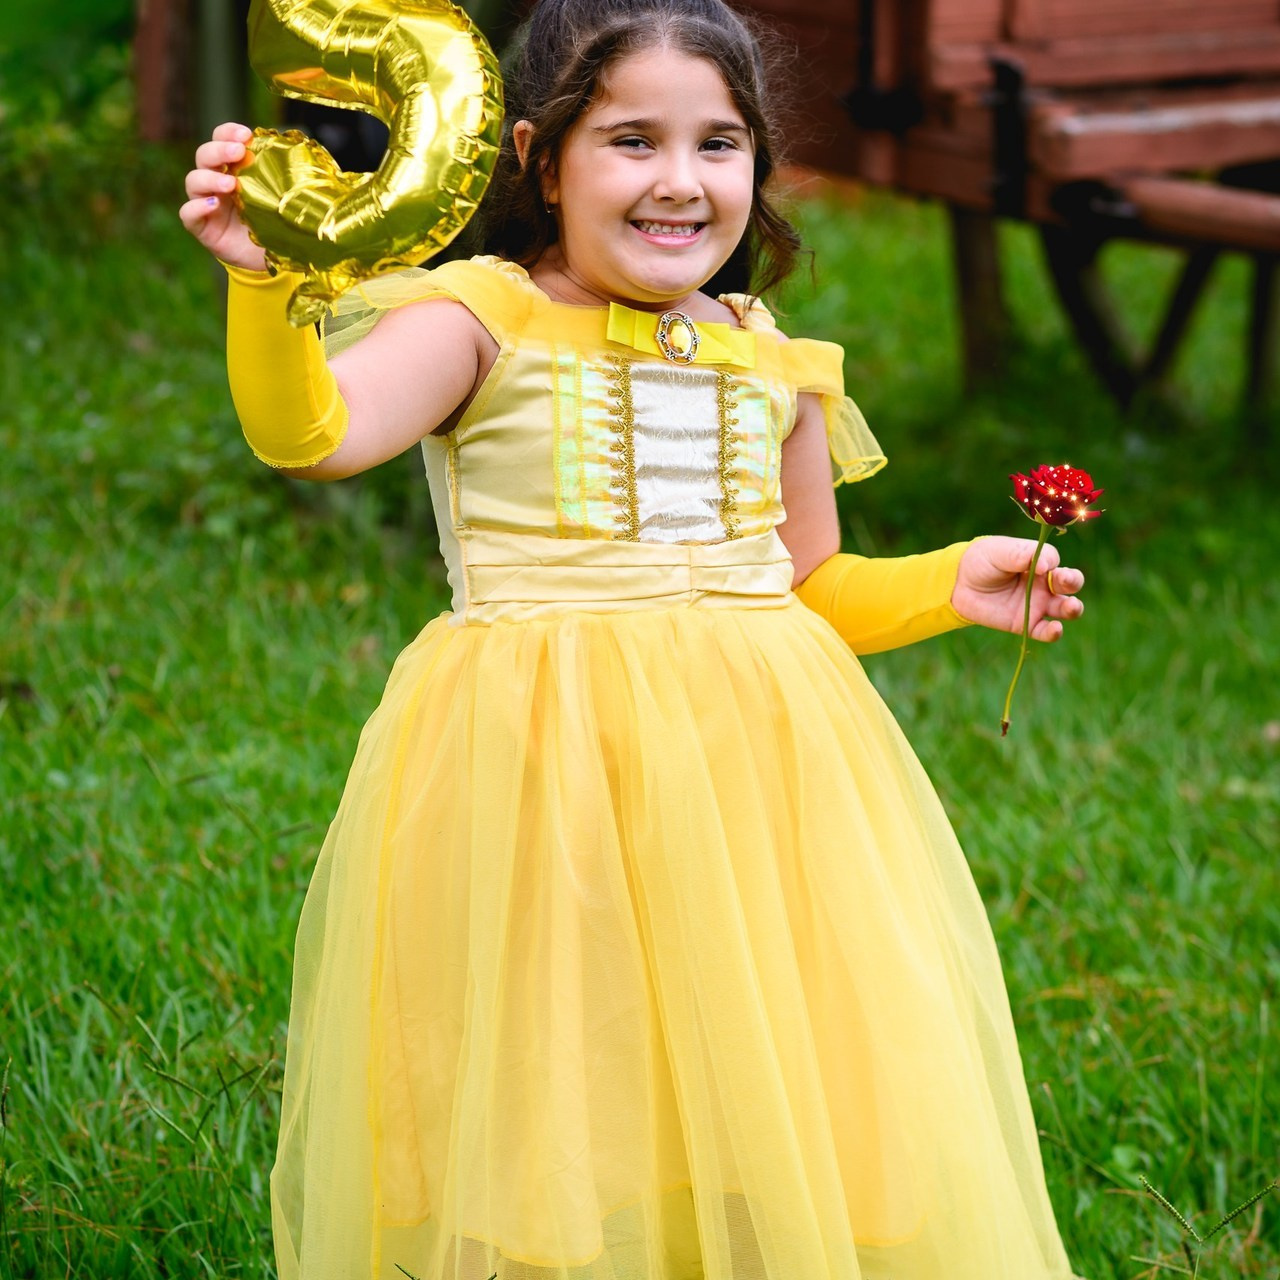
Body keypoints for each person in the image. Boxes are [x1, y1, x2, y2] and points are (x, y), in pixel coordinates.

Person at [180, 0, 1086, 1276]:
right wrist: (263, 282)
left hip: (758, 784)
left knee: (753, 1066)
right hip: (543, 781)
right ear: (541, 161)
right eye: (630, 142)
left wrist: (948, 584)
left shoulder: (766, 354)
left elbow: (806, 584)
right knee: (565, 1073)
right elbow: (315, 435)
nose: (679, 182)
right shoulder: (479, 317)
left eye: (719, 144)